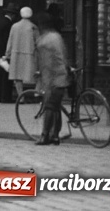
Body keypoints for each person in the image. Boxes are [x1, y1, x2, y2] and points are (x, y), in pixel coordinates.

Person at [34, 11, 69, 146]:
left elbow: (47, 64)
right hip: (62, 76)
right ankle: (55, 135)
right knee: (56, 107)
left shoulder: (44, 41)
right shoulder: (57, 37)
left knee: (49, 107)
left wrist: (45, 83)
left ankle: (44, 136)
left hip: (53, 79)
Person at [5, 6, 38, 97]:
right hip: (29, 54)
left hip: (16, 54)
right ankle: (35, 94)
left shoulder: (15, 26)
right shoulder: (33, 27)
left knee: (17, 77)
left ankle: (21, 96)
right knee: (33, 75)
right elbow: (37, 42)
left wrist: (7, 54)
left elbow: (10, 42)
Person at [0, 2, 18, 103]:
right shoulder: (9, 24)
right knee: (7, 76)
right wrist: (7, 54)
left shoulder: (0, 22)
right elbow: (8, 40)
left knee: (1, 75)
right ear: (12, 15)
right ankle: (5, 97)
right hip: (5, 53)